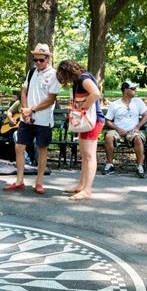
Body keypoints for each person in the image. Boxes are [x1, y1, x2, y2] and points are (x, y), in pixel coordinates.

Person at [3, 43, 60, 194]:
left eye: (41, 60)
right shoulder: (32, 72)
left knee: (42, 149)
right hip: (27, 118)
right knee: (19, 146)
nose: (38, 63)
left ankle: (39, 182)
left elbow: (51, 99)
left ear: (47, 59)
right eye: (35, 60)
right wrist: (25, 111)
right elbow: (24, 92)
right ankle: (19, 180)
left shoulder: (54, 75)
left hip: (43, 119)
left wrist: (32, 110)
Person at [55, 59, 105, 201]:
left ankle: (87, 190)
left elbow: (95, 93)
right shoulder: (79, 80)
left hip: (92, 121)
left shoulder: (84, 78)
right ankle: (81, 185)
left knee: (89, 156)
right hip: (86, 121)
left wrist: (83, 107)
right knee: (84, 155)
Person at [103, 81, 147, 178]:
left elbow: (145, 116)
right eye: (132, 89)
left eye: (135, 89)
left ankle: (139, 166)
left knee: (138, 138)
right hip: (118, 131)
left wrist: (137, 127)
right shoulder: (115, 104)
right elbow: (107, 121)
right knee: (108, 136)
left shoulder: (138, 102)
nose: (135, 90)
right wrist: (118, 129)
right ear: (125, 90)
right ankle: (110, 164)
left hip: (133, 131)